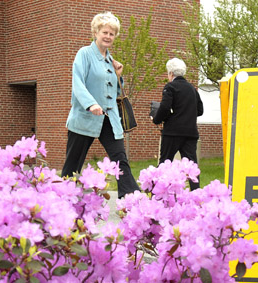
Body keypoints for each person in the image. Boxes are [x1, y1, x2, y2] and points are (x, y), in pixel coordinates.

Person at [61, 11, 141, 199]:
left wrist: (119, 75)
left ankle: (131, 199)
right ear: (96, 32)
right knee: (73, 164)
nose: (108, 36)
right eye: (104, 32)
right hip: (85, 118)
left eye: (111, 34)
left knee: (120, 159)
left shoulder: (110, 61)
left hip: (109, 119)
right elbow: (77, 83)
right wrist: (91, 104)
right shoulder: (84, 54)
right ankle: (62, 199)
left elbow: (116, 94)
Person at [151, 58, 204, 190]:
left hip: (172, 133)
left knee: (164, 163)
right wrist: (186, 114)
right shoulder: (192, 88)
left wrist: (157, 119)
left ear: (171, 73)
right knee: (192, 167)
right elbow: (200, 110)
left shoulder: (170, 87)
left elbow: (165, 107)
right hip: (190, 133)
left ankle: (157, 194)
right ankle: (196, 193)